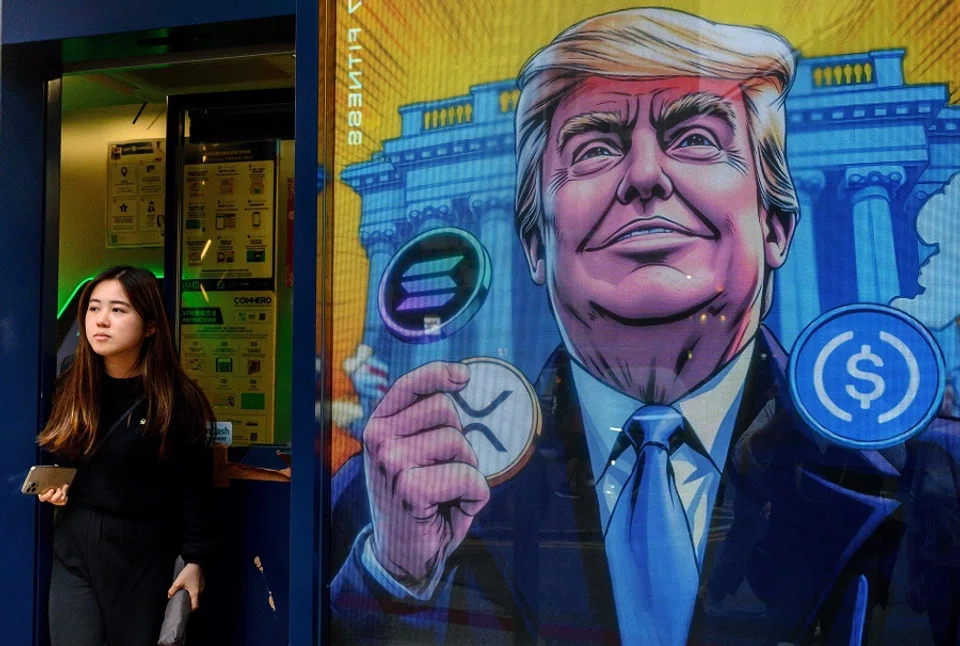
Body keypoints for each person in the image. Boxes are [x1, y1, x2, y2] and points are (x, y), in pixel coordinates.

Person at [330, 8, 959, 645]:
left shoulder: (936, 475)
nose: (645, 176)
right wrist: (396, 580)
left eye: (696, 138)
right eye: (595, 148)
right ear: (535, 247)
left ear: (775, 225)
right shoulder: (389, 496)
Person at [37, 266, 215, 646]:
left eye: (118, 310)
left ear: (150, 325)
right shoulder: (73, 378)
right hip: (76, 546)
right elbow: (68, 452)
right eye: (94, 308)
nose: (101, 320)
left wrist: (195, 560)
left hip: (143, 553)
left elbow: (194, 487)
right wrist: (56, 486)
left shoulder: (175, 398)